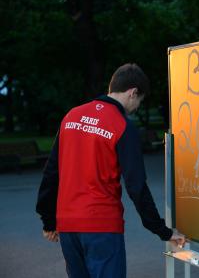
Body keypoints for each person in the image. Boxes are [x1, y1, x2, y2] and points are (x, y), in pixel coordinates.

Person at [36, 63, 185, 278]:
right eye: (140, 101)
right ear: (133, 92)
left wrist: (48, 220)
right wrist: (163, 231)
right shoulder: (122, 125)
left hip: (68, 226)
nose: (136, 107)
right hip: (102, 227)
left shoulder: (71, 117)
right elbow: (136, 186)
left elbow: (51, 172)